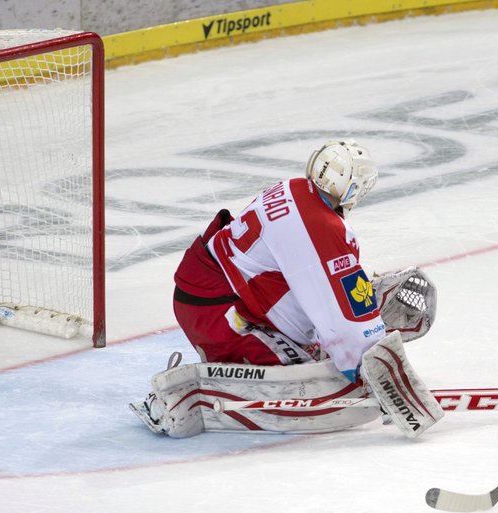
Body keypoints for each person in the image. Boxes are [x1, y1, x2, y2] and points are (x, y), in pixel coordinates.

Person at [130, 139, 442, 438]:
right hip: (220, 312)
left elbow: (300, 278)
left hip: (209, 293)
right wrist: (374, 372)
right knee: (317, 382)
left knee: (333, 337)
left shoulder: (294, 188)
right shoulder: (322, 227)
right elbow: (341, 312)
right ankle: (180, 398)